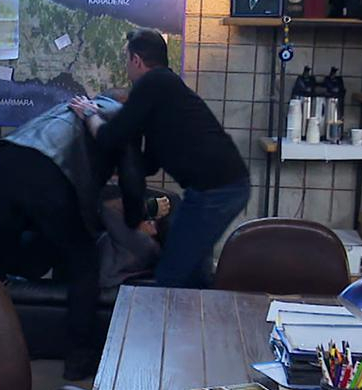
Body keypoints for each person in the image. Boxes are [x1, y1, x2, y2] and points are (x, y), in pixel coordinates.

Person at [0, 93, 147, 380]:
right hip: (47, 173)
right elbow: (131, 180)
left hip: (0, 161)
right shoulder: (123, 118)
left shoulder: (73, 108)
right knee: (85, 260)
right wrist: (134, 219)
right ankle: (79, 358)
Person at [70, 29, 250, 289]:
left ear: (136, 60)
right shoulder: (165, 88)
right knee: (192, 270)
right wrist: (116, 173)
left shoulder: (153, 83)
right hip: (220, 187)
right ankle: (200, 311)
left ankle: (188, 312)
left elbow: (109, 137)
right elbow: (150, 163)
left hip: (217, 191)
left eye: (127, 61)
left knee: (171, 273)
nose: (127, 68)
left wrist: (89, 114)